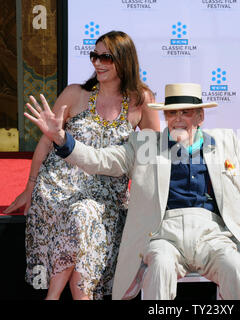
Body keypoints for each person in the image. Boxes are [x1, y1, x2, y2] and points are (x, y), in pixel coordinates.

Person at [23, 82, 240, 300]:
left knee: (237, 270)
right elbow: (97, 160)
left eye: (186, 112)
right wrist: (62, 139)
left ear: (200, 115)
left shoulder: (227, 143)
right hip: (162, 233)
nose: (179, 119)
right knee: (158, 267)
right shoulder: (144, 144)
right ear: (165, 117)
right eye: (173, 113)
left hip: (214, 233)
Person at [4, 30, 160, 300]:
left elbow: (150, 154)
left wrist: (143, 194)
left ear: (124, 60)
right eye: (94, 56)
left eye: (106, 57)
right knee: (80, 216)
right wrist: (29, 187)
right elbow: (46, 142)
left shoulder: (141, 100)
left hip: (106, 190)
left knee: (83, 214)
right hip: (58, 187)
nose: (97, 63)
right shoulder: (75, 93)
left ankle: (53, 297)